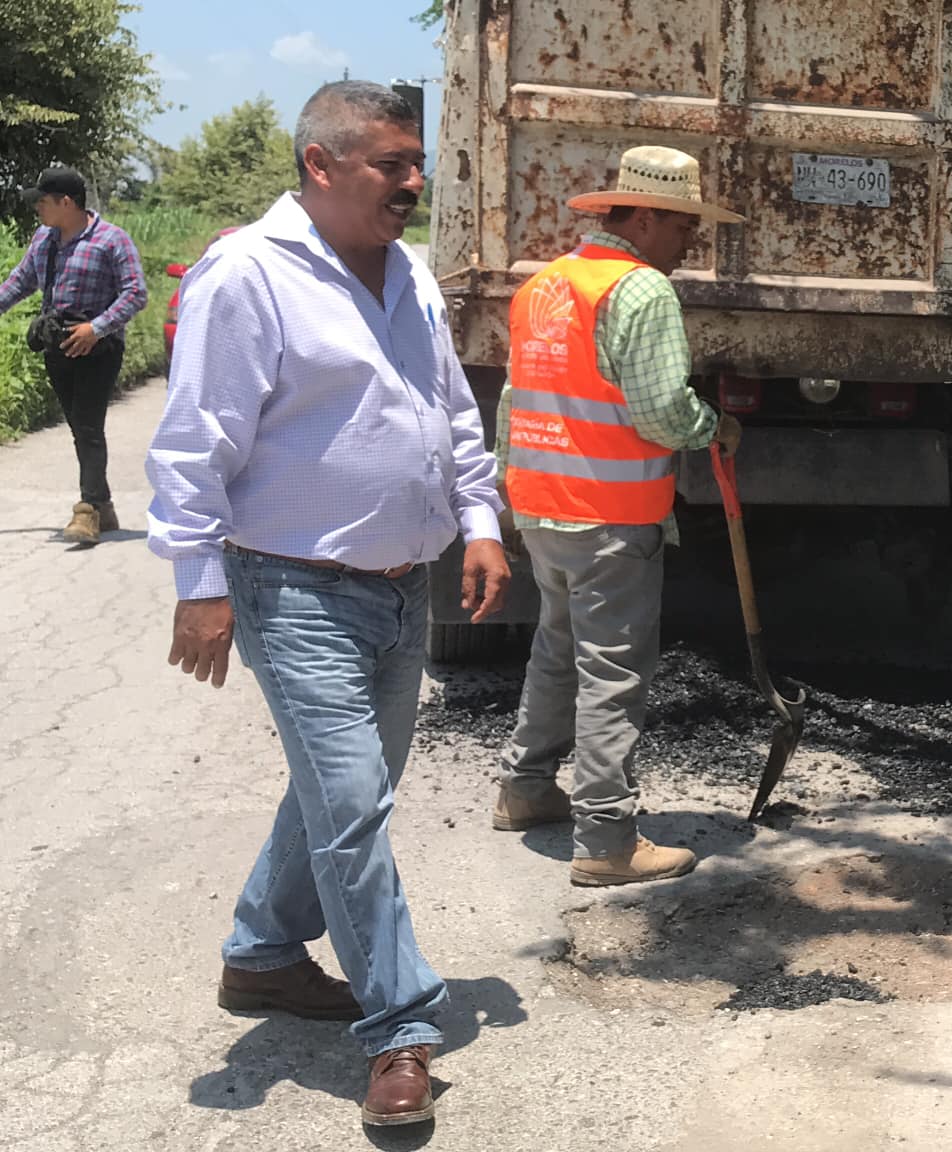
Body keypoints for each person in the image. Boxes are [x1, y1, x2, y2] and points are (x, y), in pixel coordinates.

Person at [145, 81, 510, 1129]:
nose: (414, 179)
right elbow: (192, 441)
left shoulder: (412, 276)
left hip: (402, 589)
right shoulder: (248, 277)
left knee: (344, 788)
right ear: (321, 164)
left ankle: (261, 954)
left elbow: (449, 412)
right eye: (392, 163)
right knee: (352, 806)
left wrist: (478, 522)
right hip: (290, 585)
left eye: (415, 160)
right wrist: (199, 586)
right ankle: (400, 1029)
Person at [488, 145, 743, 887]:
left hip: (542, 504)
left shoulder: (545, 286)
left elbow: (516, 401)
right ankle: (606, 839)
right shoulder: (641, 292)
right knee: (613, 672)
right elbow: (662, 411)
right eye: (682, 225)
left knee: (557, 648)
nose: (689, 241)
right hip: (607, 509)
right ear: (642, 215)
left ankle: (526, 788)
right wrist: (714, 429)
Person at [0, 166, 148, 544]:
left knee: (87, 426)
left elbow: (135, 294)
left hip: (99, 347)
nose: (38, 209)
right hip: (59, 345)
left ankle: (87, 512)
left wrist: (95, 328)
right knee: (79, 427)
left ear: (66, 203)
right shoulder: (44, 240)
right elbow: (21, 281)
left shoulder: (112, 240)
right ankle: (104, 505)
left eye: (43, 202)